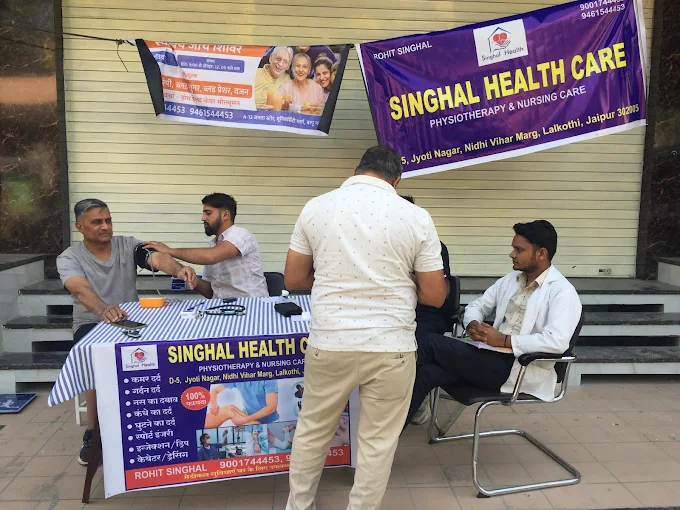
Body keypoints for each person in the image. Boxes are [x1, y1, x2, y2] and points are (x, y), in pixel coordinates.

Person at [283, 145, 447, 510]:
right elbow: (435, 296)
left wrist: (335, 278)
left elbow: (293, 279)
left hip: (330, 341)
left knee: (312, 432)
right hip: (391, 346)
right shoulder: (416, 217)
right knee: (377, 443)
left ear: (356, 170)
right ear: (397, 179)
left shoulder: (316, 207)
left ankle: (299, 506)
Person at [57, 199, 196, 466]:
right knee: (94, 361)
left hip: (130, 320)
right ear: (80, 226)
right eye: (97, 222)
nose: (105, 226)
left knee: (161, 353)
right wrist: (103, 309)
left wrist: (179, 270)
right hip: (91, 322)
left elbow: (155, 257)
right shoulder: (69, 257)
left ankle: (155, 421)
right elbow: (79, 288)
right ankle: (93, 432)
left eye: (108, 220)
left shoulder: (127, 245)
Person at [405, 220, 582, 427]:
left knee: (426, 342)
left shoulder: (562, 292)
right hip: (488, 357)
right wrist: (472, 324)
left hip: (519, 368)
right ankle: (388, 438)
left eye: (519, 250)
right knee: (428, 373)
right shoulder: (512, 279)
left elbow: (557, 342)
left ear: (541, 253)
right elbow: (477, 306)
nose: (512, 254)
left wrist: (504, 340)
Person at [144, 193, 268, 299]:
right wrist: (192, 278)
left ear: (225, 215)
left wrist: (169, 251)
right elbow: (211, 291)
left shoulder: (241, 234)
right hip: (221, 308)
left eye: (208, 213)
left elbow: (211, 256)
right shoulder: (214, 246)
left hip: (252, 306)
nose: (203, 218)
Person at [205, 380, 279, 428]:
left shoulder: (269, 379)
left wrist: (245, 419)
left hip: (270, 422)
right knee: (231, 410)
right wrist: (214, 405)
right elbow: (214, 390)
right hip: (248, 420)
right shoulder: (239, 377)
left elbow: (271, 407)